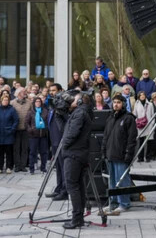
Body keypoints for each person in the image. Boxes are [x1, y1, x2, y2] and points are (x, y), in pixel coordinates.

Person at [60, 92, 93, 229]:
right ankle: (78, 218)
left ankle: (76, 218)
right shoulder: (85, 112)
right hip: (79, 153)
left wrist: (64, 145)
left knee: (72, 185)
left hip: (74, 153)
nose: (72, 101)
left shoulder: (80, 113)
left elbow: (73, 132)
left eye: (75, 99)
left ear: (80, 102)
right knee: (78, 185)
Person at [102, 95, 137, 216]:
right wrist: (103, 150)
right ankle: (114, 202)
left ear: (123, 103)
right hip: (110, 154)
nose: (115, 104)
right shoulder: (110, 117)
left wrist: (129, 154)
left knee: (122, 180)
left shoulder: (128, 119)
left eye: (118, 102)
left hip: (121, 155)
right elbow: (106, 136)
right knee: (112, 181)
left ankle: (124, 203)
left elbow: (132, 139)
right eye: (114, 102)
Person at [45, 83, 68, 201]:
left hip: (61, 141)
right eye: (50, 90)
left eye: (54, 90)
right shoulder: (52, 105)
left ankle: (65, 190)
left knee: (64, 166)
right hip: (54, 141)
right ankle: (59, 188)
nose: (51, 92)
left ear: (60, 90)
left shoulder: (63, 104)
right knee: (58, 166)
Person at [0, 94, 18, 174]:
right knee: (0, 152)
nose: (5, 101)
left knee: (9, 152)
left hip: (9, 133)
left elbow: (16, 120)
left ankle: (8, 167)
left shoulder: (12, 110)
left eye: (7, 100)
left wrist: (12, 129)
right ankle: (0, 167)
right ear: (1, 101)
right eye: (4, 100)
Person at [27, 96, 49, 174]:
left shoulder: (45, 111)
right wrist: (30, 130)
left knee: (43, 152)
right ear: (34, 103)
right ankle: (32, 168)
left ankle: (43, 167)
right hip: (33, 135)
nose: (38, 103)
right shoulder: (30, 112)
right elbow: (27, 123)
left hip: (43, 135)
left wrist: (46, 128)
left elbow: (48, 121)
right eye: (36, 102)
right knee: (33, 152)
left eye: (39, 102)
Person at [11, 88, 31, 173]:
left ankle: (23, 166)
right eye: (24, 92)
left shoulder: (29, 102)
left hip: (26, 129)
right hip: (15, 129)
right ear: (19, 93)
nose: (25, 93)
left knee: (24, 148)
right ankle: (17, 165)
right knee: (16, 148)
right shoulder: (12, 103)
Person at [133, 91, 154, 162]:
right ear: (139, 96)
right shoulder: (136, 104)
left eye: (143, 95)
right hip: (140, 125)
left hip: (148, 124)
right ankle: (140, 157)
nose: (142, 96)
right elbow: (135, 114)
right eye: (141, 95)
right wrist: (136, 122)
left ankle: (148, 157)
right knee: (141, 141)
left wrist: (152, 123)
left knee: (149, 142)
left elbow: (152, 114)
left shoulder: (150, 104)